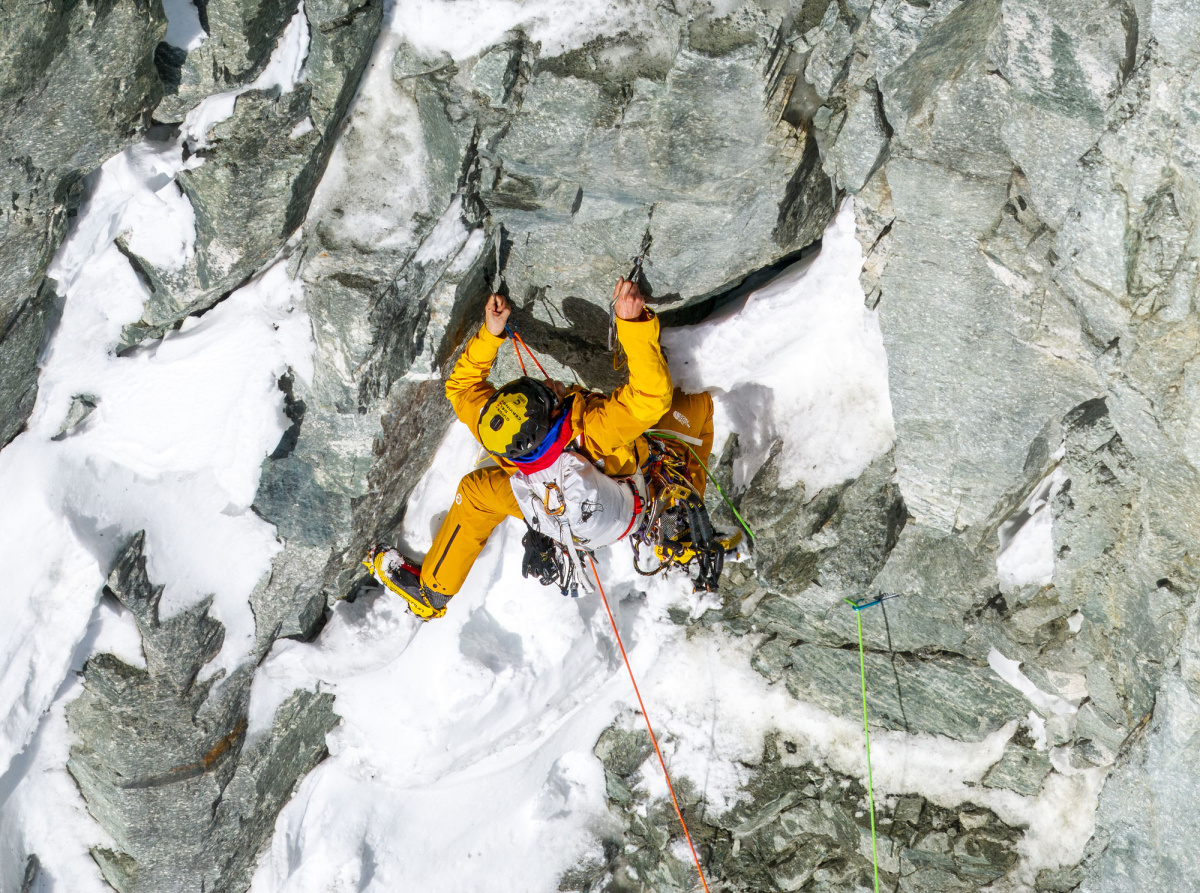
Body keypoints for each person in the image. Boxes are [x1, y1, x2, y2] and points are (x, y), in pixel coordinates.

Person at [366, 277, 718, 621]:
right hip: (611, 492)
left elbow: (461, 388)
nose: (552, 381)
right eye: (549, 389)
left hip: (547, 502)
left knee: (477, 494)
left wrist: (491, 333)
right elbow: (651, 397)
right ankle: (680, 517)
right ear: (552, 410)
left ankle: (433, 592)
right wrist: (632, 323)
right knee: (697, 409)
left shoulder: (500, 438)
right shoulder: (592, 431)